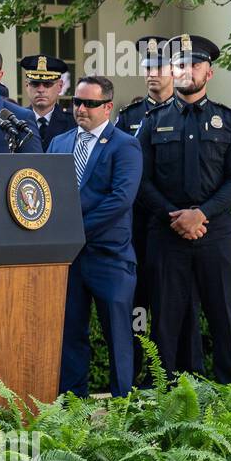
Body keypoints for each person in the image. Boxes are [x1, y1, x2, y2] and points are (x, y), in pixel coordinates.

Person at [136, 33, 231, 383]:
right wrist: (176, 216)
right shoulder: (152, 122)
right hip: (167, 236)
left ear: (208, 73)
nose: (187, 70)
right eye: (181, 64)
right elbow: (140, 180)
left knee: (225, 319)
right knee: (166, 326)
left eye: (195, 64)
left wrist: (200, 214)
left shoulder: (229, 122)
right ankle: (162, 404)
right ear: (172, 69)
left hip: (214, 234)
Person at [47, 76, 142, 397]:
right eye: (76, 102)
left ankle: (124, 405)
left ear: (108, 107)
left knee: (118, 336)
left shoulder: (125, 144)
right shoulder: (59, 143)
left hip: (109, 257)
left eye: (90, 103)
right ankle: (72, 406)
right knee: (70, 335)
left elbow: (121, 199)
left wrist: (74, 231)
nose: (81, 109)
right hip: (69, 259)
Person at [116, 35, 203, 380]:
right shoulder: (130, 116)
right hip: (140, 229)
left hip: (182, 230)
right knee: (139, 308)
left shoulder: (195, 113)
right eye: (147, 67)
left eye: (161, 67)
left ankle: (186, 376)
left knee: (183, 307)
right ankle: (140, 377)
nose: (153, 74)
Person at [21, 54, 75, 150]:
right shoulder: (16, 120)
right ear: (27, 85)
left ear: (60, 86)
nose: (41, 90)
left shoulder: (73, 122)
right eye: (35, 83)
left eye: (47, 84)